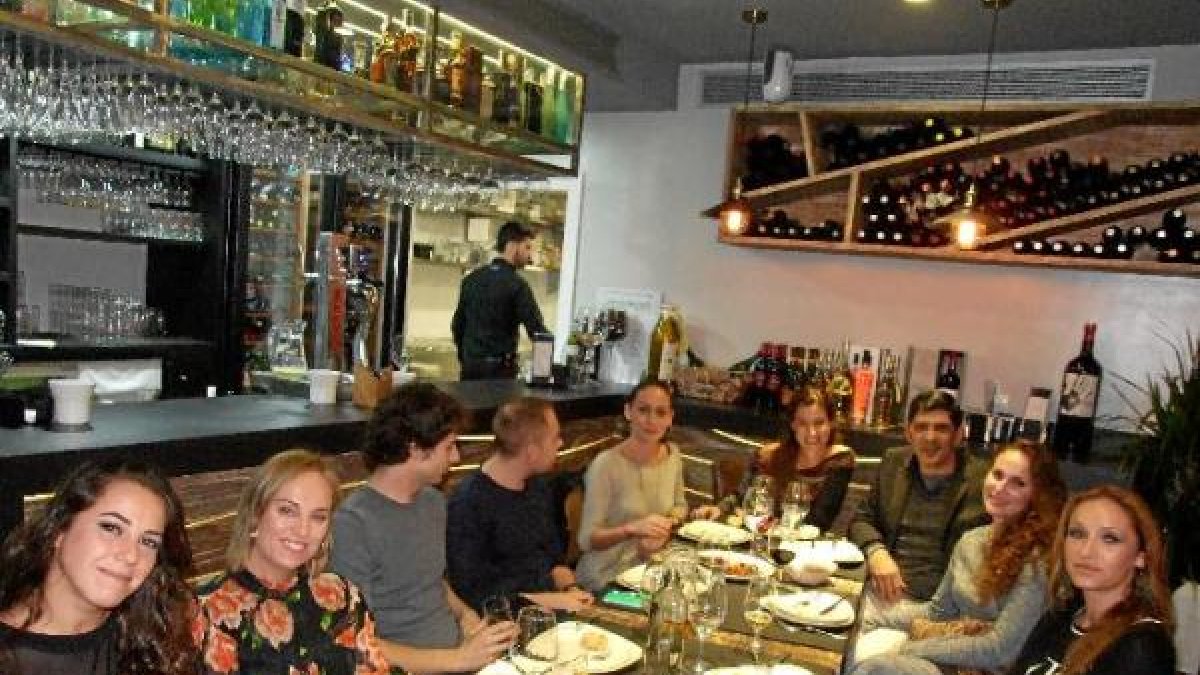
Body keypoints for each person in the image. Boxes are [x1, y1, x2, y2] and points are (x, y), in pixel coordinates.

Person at [330, 383, 517, 674]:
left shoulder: (432, 501)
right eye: (449, 446)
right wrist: (459, 659)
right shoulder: (354, 524)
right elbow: (356, 642)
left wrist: (467, 617)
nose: (456, 458)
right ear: (415, 449)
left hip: (458, 657)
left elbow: (429, 580)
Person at [850, 440, 1067, 675]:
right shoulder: (971, 541)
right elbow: (938, 613)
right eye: (997, 475)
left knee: (875, 668)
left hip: (991, 669)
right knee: (856, 641)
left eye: (1018, 483)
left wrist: (915, 649)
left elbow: (1001, 650)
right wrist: (871, 616)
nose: (1000, 488)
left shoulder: (1037, 562)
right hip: (952, 657)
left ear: (1038, 495)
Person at [195, 449, 390, 674]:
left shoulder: (342, 596)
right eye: (287, 511)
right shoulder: (205, 610)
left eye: (318, 517)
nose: (302, 530)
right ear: (255, 514)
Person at [0, 459, 197, 675]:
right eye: (111, 528)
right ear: (59, 530)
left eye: (148, 542)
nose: (131, 555)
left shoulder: (153, 641)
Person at [446, 397, 594, 613]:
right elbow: (473, 593)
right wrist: (547, 600)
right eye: (555, 438)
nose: (561, 443)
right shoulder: (469, 503)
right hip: (504, 620)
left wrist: (570, 588)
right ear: (532, 452)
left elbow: (552, 559)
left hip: (552, 607)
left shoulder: (538, 486)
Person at [1008, 485, 1176, 675]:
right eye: (1077, 534)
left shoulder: (1141, 646)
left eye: (1109, 538)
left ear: (1141, 556)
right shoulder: (1060, 616)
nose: (1086, 551)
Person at [848, 390, 989, 609]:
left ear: (958, 435)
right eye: (921, 427)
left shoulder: (984, 481)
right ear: (908, 433)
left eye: (941, 428)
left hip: (940, 604)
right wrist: (876, 552)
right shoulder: (894, 462)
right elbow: (861, 520)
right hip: (881, 590)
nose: (930, 437)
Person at [575, 380, 714, 592]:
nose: (651, 420)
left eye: (660, 412)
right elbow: (586, 540)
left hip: (650, 570)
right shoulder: (605, 464)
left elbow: (679, 506)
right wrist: (630, 529)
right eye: (643, 410)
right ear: (628, 412)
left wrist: (669, 523)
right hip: (606, 578)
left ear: (670, 418)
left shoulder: (673, 455)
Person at [724, 386, 857, 533]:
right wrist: (719, 509)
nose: (812, 432)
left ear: (831, 423)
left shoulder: (840, 460)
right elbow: (741, 497)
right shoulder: (768, 455)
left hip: (811, 544)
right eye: (803, 423)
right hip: (761, 537)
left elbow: (818, 521)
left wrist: (772, 526)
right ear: (793, 425)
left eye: (819, 423)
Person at [451, 221, 548, 380]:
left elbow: (458, 325)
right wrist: (543, 374)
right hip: (500, 373)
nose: (529, 255)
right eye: (527, 247)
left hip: (470, 370)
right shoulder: (517, 284)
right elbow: (537, 331)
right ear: (512, 246)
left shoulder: (471, 279)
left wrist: (466, 359)